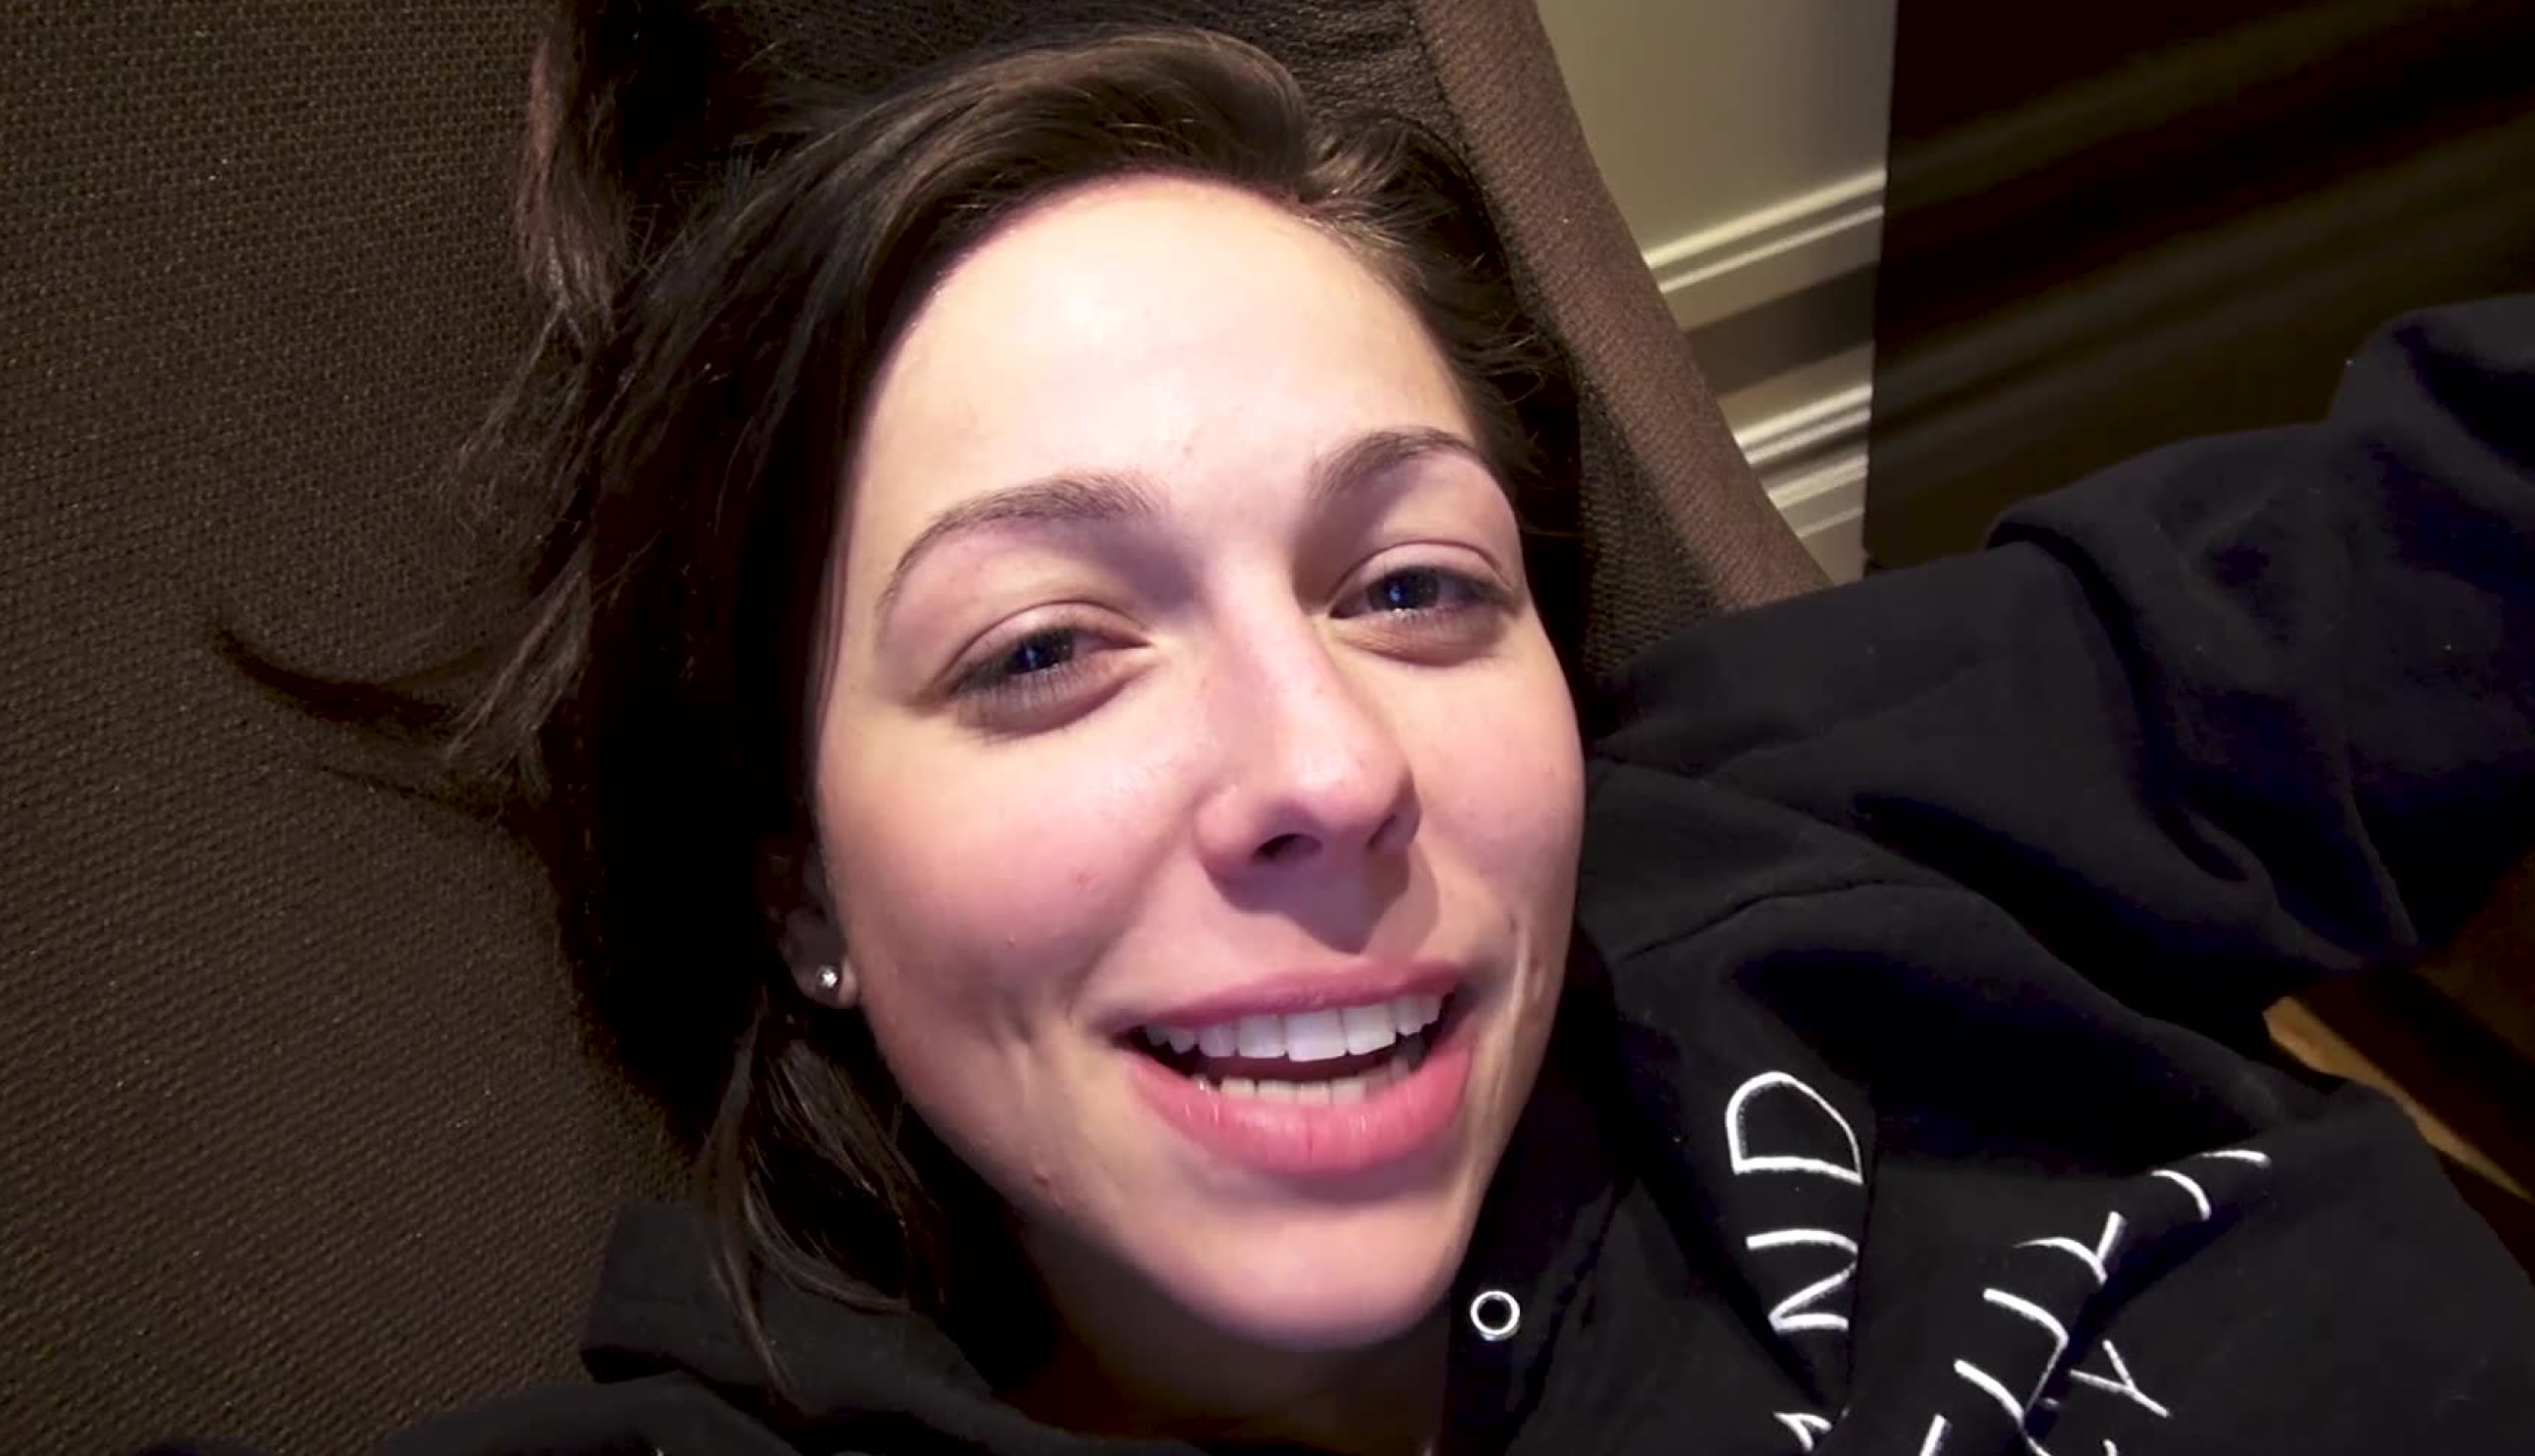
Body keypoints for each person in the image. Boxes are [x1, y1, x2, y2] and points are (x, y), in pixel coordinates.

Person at [182, 10, 2535, 1456]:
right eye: (1045, 650)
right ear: (796, 880)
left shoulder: (1782, 808)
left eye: (1412, 587)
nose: (1331, 767)